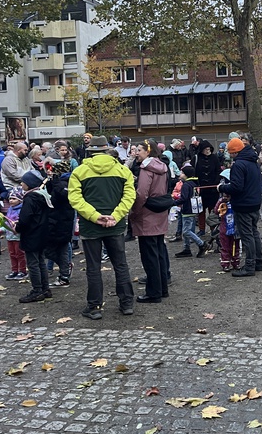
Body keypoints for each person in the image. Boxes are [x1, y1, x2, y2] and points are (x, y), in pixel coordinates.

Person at [68, 135, 136, 320]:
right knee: (120, 264)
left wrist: (95, 216)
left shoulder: (79, 171)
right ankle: (127, 303)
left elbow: (75, 199)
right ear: (107, 150)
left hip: (91, 227)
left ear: (90, 152)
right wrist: (115, 215)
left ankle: (94, 306)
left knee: (93, 267)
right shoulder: (123, 171)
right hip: (116, 225)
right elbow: (129, 197)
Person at [128, 140, 172, 303]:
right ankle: (162, 289)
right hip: (160, 213)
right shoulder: (163, 167)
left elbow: (142, 194)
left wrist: (134, 212)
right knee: (159, 252)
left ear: (148, 152)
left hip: (147, 215)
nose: (136, 153)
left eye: (139, 150)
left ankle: (153, 292)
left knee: (149, 256)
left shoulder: (146, 169)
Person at [219, 137, 262, 277]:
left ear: (234, 152)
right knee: (254, 233)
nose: (229, 155)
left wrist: (222, 187)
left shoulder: (238, 165)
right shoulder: (253, 162)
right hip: (255, 202)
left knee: (247, 235)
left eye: (230, 152)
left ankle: (249, 266)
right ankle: (258, 262)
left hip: (243, 204)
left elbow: (236, 187)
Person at [15, 171, 51, 303]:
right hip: (41, 233)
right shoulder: (43, 196)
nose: (21, 184)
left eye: (23, 181)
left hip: (31, 234)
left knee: (33, 264)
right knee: (41, 261)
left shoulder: (30, 198)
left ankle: (37, 290)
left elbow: (25, 218)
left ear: (29, 184)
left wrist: (17, 227)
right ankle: (45, 288)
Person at [46, 160, 76, 288]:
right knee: (59, 248)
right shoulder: (57, 183)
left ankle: (64, 271)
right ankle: (64, 271)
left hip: (62, 220)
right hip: (56, 219)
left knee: (55, 248)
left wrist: (56, 183)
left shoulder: (67, 183)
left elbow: (63, 197)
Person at [175, 164, 208, 258]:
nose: (180, 174)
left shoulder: (186, 185)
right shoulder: (194, 184)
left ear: (186, 174)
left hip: (187, 210)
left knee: (186, 231)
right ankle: (187, 249)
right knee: (188, 229)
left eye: (182, 173)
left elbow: (184, 198)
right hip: (193, 209)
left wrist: (173, 203)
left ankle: (201, 244)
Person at [193, 140, 221, 234]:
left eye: (209, 149)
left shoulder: (214, 158)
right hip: (201, 189)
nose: (208, 151)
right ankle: (201, 229)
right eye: (206, 149)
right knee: (200, 211)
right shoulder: (196, 158)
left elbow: (218, 171)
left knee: (212, 210)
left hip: (213, 189)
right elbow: (193, 172)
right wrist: (196, 184)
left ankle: (213, 228)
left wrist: (216, 182)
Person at [214, 179, 241, 272]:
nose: (227, 197)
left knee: (235, 245)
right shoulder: (221, 202)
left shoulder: (236, 202)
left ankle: (235, 262)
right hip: (224, 227)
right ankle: (225, 263)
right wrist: (221, 202)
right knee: (225, 246)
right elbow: (216, 211)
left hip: (235, 227)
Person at [4, 187, 26, 280]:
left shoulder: (22, 210)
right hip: (10, 236)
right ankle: (14, 270)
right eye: (10, 198)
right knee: (12, 253)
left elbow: (21, 222)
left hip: (18, 236)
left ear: (20, 199)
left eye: (14, 198)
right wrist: (3, 228)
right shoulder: (10, 209)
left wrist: (16, 223)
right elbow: (6, 221)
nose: (11, 201)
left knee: (19, 254)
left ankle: (22, 270)